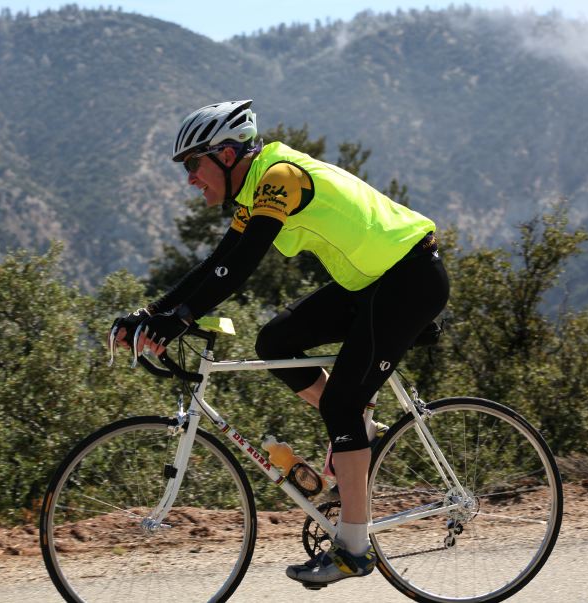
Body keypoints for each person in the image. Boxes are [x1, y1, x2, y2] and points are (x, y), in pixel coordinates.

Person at [113, 99, 449, 587]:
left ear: (227, 155)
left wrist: (180, 319)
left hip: (410, 280)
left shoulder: (280, 178)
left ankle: (355, 549)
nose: (189, 178)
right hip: (375, 283)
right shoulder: (254, 191)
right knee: (276, 340)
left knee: (339, 404)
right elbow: (217, 262)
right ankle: (361, 433)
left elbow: (240, 265)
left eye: (193, 164)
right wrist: (153, 314)